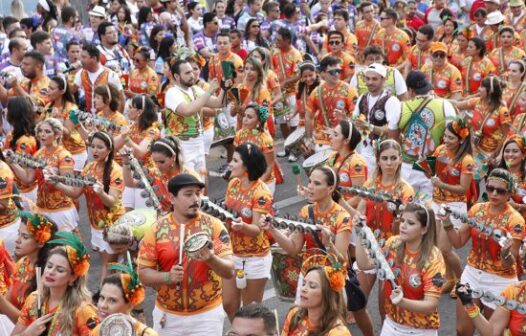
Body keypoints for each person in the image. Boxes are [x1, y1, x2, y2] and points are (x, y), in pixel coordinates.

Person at [137, 174, 234, 336]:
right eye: (188, 194)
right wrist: (167, 277)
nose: (195, 199)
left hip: (206, 316)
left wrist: (211, 259)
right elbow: (143, 273)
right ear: (172, 198)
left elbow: (229, 270)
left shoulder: (214, 226)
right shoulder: (156, 230)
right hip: (168, 317)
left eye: (198, 193)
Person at [442, 168, 525, 335]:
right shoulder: (477, 210)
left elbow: (510, 261)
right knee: (462, 330)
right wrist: (447, 223)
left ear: (509, 194)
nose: (494, 193)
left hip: (500, 281)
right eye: (490, 188)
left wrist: (505, 253)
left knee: (491, 331)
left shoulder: (515, 220)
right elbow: (458, 242)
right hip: (472, 273)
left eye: (500, 191)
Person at [355, 202, 446, 336]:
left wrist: (402, 302)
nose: (403, 225)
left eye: (410, 223)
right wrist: (359, 233)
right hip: (391, 325)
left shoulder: (434, 258)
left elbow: (430, 305)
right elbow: (365, 264)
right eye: (402, 220)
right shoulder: (394, 243)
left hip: (420, 330)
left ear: (424, 229)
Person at [51, 131, 125, 282]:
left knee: (108, 262)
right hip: (95, 223)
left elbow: (112, 202)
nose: (95, 150)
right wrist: (56, 183)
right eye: (92, 146)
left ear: (109, 150)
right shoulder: (89, 167)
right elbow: (75, 193)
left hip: (112, 223)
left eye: (100, 147)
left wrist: (101, 193)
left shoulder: (116, 171)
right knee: (109, 261)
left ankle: (103, 292)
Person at [355, 139, 414, 303]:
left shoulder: (405, 190)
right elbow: (360, 209)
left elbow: (406, 229)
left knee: (385, 306)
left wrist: (397, 221)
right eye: (385, 158)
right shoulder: (371, 184)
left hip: (392, 250)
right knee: (356, 303)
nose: (389, 163)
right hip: (369, 243)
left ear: (400, 159)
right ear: (378, 160)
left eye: (393, 158)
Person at [11, 232, 99, 335]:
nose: (51, 272)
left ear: (72, 278)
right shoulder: (34, 299)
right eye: (49, 266)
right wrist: (28, 333)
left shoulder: (82, 311)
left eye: (60, 270)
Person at [223, 143, 273, 320]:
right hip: (232, 253)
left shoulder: (261, 193)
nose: (230, 163)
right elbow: (228, 214)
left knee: (250, 312)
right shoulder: (233, 184)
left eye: (235, 160)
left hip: (255, 258)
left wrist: (242, 226)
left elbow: (257, 229)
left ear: (247, 166)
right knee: (229, 305)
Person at [7, 118, 79, 233]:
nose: (42, 134)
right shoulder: (38, 154)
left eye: (47, 131)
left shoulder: (64, 156)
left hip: (60, 211)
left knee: (64, 248)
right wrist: (13, 163)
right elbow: (28, 179)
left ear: (57, 134)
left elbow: (71, 189)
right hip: (42, 210)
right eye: (40, 131)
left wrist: (55, 180)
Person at [430, 120, 474, 298]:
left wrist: (441, 184)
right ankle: (450, 279)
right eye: (445, 136)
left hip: (454, 207)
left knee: (445, 249)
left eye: (450, 137)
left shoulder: (467, 160)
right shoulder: (440, 150)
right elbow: (432, 169)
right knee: (436, 245)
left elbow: (464, 188)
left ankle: (462, 280)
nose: (445, 140)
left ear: (461, 140)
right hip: (436, 202)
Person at [163, 59, 229, 173]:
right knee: (188, 183)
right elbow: (188, 110)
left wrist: (224, 88)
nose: (192, 75)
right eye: (187, 73)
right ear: (177, 76)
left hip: (198, 142)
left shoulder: (195, 89)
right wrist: (209, 91)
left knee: (200, 182)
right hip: (182, 145)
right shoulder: (172, 92)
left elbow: (219, 103)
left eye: (192, 71)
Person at [398, 70, 457, 197]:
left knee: (405, 208)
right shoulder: (445, 105)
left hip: (406, 166)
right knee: (430, 210)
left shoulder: (400, 107)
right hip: (433, 165)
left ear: (410, 91)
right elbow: (455, 138)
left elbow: (393, 140)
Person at [0, 213, 57, 325]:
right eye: (19, 234)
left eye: (25, 237)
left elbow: (35, 324)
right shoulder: (22, 263)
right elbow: (7, 302)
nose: (17, 240)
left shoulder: (47, 275)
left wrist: (1, 302)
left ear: (40, 242)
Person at [454, 76, 510, 182]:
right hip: (475, 150)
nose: (478, 89)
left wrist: (497, 157)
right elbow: (457, 105)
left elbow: (507, 135)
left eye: (481, 87)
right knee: (472, 181)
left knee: (490, 183)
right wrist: (438, 99)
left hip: (492, 155)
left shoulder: (502, 110)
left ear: (490, 91)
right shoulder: (477, 102)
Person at [352, 63, 401, 173]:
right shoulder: (362, 97)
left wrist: (369, 126)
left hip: (384, 155)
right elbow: (355, 121)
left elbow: (391, 131)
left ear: (383, 80)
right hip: (364, 151)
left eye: (374, 79)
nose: (370, 82)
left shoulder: (391, 101)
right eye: (368, 79)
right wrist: (345, 119)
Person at [281, 258, 351, 335]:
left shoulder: (338, 333)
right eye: (304, 284)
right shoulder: (294, 314)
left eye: (312, 286)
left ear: (327, 294)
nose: (303, 289)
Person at [116, 94, 160, 211]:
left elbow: (141, 152)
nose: (127, 109)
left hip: (145, 179)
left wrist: (126, 138)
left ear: (140, 112)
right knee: (128, 217)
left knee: (144, 217)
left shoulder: (152, 131)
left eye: (131, 107)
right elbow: (114, 146)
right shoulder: (130, 127)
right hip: (128, 176)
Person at [305, 56, 357, 153]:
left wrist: (346, 120)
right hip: (323, 141)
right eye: (332, 72)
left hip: (343, 140)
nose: (336, 74)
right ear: (323, 74)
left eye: (338, 70)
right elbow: (308, 116)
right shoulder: (316, 92)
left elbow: (356, 116)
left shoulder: (349, 90)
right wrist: (308, 139)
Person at [90, 263, 157, 335]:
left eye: (112, 300)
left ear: (130, 303)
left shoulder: (147, 334)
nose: (103, 305)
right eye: (102, 298)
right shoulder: (97, 332)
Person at [44, 76, 88, 174]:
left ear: (62, 91)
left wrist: (55, 120)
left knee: (69, 185)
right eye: (48, 87)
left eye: (52, 88)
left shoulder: (71, 108)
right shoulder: (48, 106)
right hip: (57, 152)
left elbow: (67, 134)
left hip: (75, 152)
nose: (48, 90)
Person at [4, 97, 38, 209]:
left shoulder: (26, 141)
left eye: (7, 108)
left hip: (25, 194)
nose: (4, 111)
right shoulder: (12, 133)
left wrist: (11, 161)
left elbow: (27, 178)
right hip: (13, 189)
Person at [233, 104, 276, 193]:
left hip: (264, 183)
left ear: (258, 122)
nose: (245, 119)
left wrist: (255, 185)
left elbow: (269, 166)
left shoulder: (265, 139)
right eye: (244, 115)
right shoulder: (239, 135)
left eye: (249, 117)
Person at [72, 43, 124, 114]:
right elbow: (71, 91)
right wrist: (70, 74)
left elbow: (121, 99)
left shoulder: (111, 75)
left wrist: (117, 120)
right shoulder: (81, 73)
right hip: (89, 118)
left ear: (94, 58)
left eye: (84, 57)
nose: (80, 61)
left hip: (106, 119)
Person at [498, 135, 526, 219]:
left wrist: (518, 206)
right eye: (507, 151)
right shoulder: (497, 174)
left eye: (515, 151)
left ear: (523, 155)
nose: (510, 154)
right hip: (499, 221)